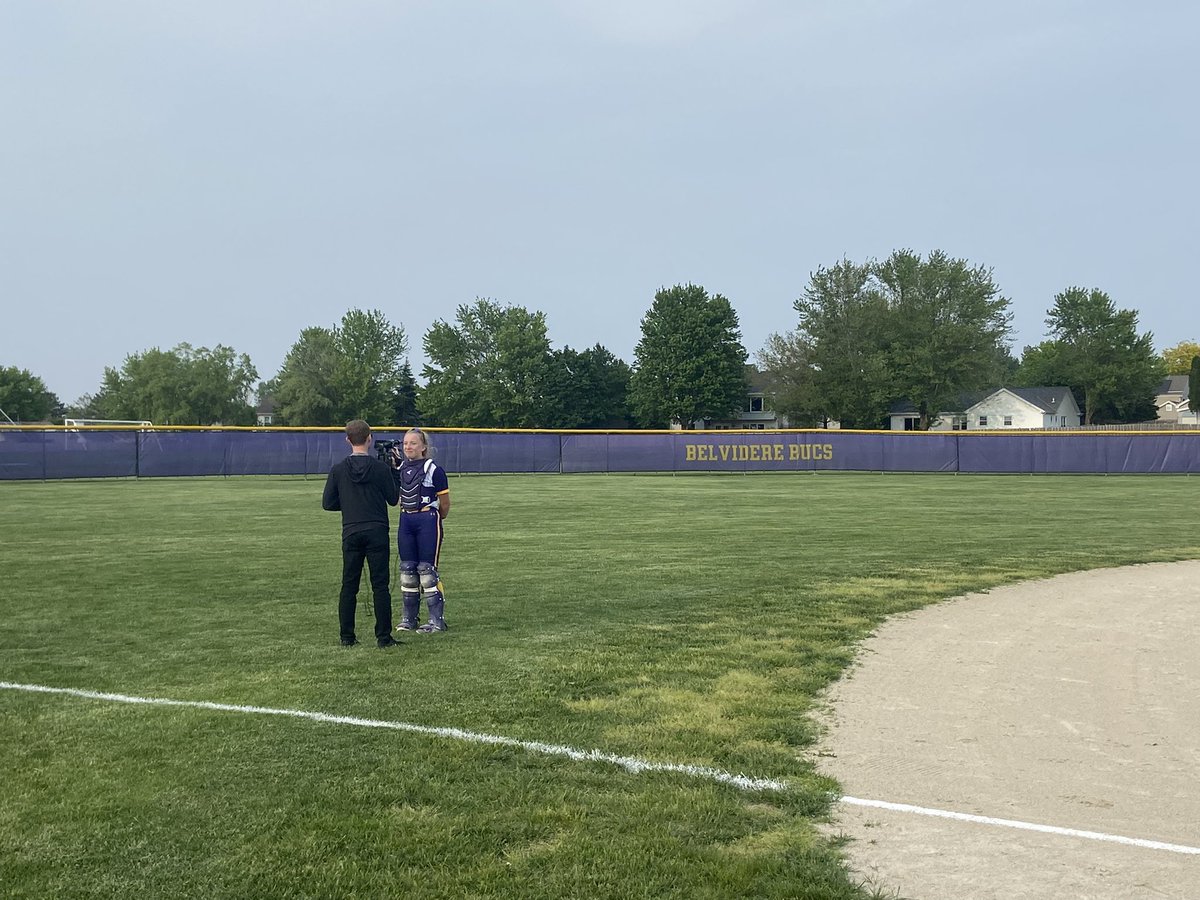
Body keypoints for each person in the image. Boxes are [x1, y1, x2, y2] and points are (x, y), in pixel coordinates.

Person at [322, 419, 401, 648]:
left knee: (349, 585)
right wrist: (395, 472)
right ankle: (383, 637)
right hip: (376, 530)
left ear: (348, 440)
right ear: (370, 438)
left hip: (351, 531)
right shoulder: (380, 469)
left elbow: (328, 503)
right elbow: (393, 499)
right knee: (380, 586)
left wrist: (348, 503)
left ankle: (347, 636)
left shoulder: (338, 470)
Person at [388, 427, 451, 633]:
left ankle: (436, 621)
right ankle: (409, 618)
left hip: (427, 520)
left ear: (424, 446)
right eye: (405, 443)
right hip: (406, 519)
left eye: (413, 443)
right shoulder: (400, 469)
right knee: (407, 570)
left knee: (427, 571)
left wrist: (434, 517)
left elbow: (445, 503)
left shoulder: (434, 469)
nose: (408, 447)